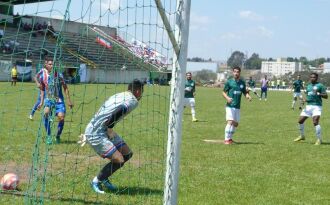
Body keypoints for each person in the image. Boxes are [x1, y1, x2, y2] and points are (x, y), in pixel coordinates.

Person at [78, 79, 144, 194]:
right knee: (119, 159)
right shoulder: (133, 100)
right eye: (142, 91)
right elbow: (120, 109)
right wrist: (109, 128)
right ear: (138, 91)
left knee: (127, 154)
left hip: (100, 128)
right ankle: (96, 181)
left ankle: (104, 177)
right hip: (97, 132)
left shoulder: (120, 94)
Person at [38, 58, 73, 144]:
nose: (52, 65)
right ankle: (49, 136)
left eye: (53, 64)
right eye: (50, 64)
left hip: (59, 100)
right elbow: (42, 89)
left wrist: (69, 100)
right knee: (45, 113)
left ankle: (57, 136)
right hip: (49, 100)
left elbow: (65, 87)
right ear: (46, 65)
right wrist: (41, 102)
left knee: (61, 117)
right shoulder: (43, 76)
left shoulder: (59, 75)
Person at [294, 73, 328, 145]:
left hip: (317, 106)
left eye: (314, 77)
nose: (312, 78)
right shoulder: (309, 86)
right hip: (308, 106)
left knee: (315, 122)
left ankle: (319, 139)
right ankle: (302, 136)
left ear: (317, 78)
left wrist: (318, 93)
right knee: (300, 121)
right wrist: (304, 100)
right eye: (311, 77)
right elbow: (309, 96)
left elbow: (326, 96)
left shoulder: (320, 86)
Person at [222, 66, 251, 144]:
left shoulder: (242, 83)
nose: (236, 73)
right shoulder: (229, 82)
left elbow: (245, 92)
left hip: (237, 107)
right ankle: (226, 139)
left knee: (236, 124)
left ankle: (230, 138)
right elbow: (223, 92)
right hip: (230, 106)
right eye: (234, 71)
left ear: (239, 73)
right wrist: (227, 98)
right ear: (233, 72)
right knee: (230, 121)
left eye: (237, 72)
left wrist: (247, 96)